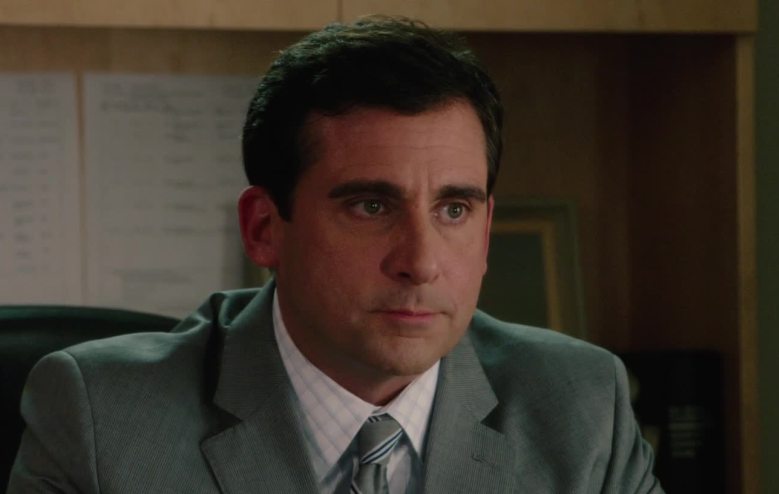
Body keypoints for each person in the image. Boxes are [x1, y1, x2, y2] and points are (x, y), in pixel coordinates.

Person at [8, 16, 663, 494]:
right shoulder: (104, 420)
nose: (421, 262)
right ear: (265, 228)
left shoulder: (580, 407)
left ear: (487, 230)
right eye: (371, 207)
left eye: (453, 210)